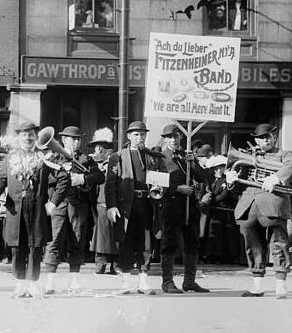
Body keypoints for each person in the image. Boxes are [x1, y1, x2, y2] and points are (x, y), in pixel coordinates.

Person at [0, 122, 64, 298]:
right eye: (24, 135)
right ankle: (20, 284)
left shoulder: (45, 158)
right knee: (16, 248)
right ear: (18, 137)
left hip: (37, 210)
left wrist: (53, 202)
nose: (28, 138)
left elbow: (63, 178)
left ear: (36, 137)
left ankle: (34, 284)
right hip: (15, 210)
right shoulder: (10, 157)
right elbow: (1, 179)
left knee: (35, 248)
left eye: (31, 135)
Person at [225, 123, 292, 298]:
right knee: (252, 246)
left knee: (278, 244)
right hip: (249, 207)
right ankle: (258, 286)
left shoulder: (284, 154)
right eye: (262, 137)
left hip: (274, 204)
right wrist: (231, 181)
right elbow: (237, 186)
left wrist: (276, 177)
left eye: (269, 136)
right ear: (255, 140)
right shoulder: (249, 155)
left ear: (274, 137)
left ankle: (280, 285)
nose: (266, 140)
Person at [104, 120, 165, 295]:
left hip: (147, 204)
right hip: (126, 206)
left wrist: (159, 188)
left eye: (143, 134)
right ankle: (125, 282)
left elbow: (162, 181)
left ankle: (143, 282)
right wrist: (111, 206)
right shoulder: (118, 157)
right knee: (126, 242)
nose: (140, 137)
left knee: (146, 244)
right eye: (136, 134)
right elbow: (110, 185)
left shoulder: (155, 157)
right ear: (129, 136)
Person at [41, 126, 103, 295]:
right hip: (59, 204)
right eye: (71, 139)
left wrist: (82, 178)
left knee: (77, 241)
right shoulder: (53, 157)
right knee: (54, 241)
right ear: (63, 140)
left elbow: (99, 177)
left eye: (78, 139)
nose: (76, 142)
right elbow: (45, 177)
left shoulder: (86, 159)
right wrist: (63, 173)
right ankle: (50, 282)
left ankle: (74, 282)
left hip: (79, 205)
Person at [157, 124, 209, 294]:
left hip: (190, 206)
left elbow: (202, 178)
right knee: (170, 243)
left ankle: (189, 281)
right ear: (164, 139)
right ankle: (167, 282)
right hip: (171, 204)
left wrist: (193, 163)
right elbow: (155, 182)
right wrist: (177, 189)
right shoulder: (159, 157)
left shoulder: (186, 156)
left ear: (181, 137)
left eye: (176, 136)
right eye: (169, 137)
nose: (173, 139)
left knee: (192, 243)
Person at [88, 128, 119, 275]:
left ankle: (111, 264)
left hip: (111, 203)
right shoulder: (95, 162)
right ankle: (104, 264)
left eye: (98, 146)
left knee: (112, 235)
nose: (96, 149)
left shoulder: (114, 159)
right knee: (102, 236)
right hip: (101, 203)